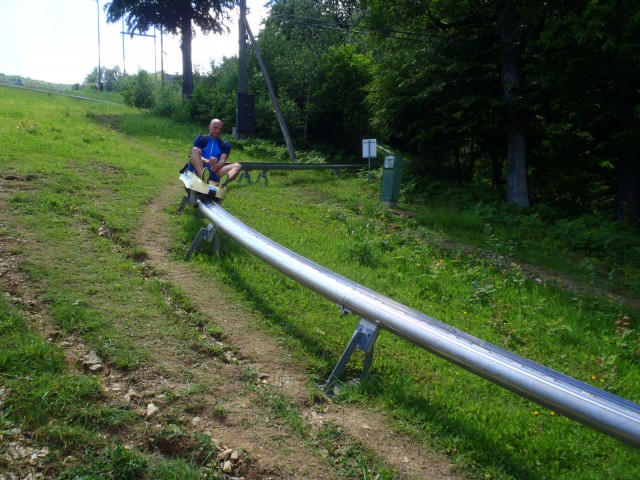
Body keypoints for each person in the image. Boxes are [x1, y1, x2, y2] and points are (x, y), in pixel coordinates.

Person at [189, 118, 242, 187]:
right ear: (209, 127)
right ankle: (203, 176)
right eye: (215, 128)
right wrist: (207, 161)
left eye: (220, 129)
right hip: (199, 167)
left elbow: (222, 160)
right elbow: (195, 154)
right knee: (195, 150)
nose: (217, 131)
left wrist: (216, 166)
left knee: (238, 166)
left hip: (214, 170)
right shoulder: (200, 139)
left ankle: (221, 183)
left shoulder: (225, 144)